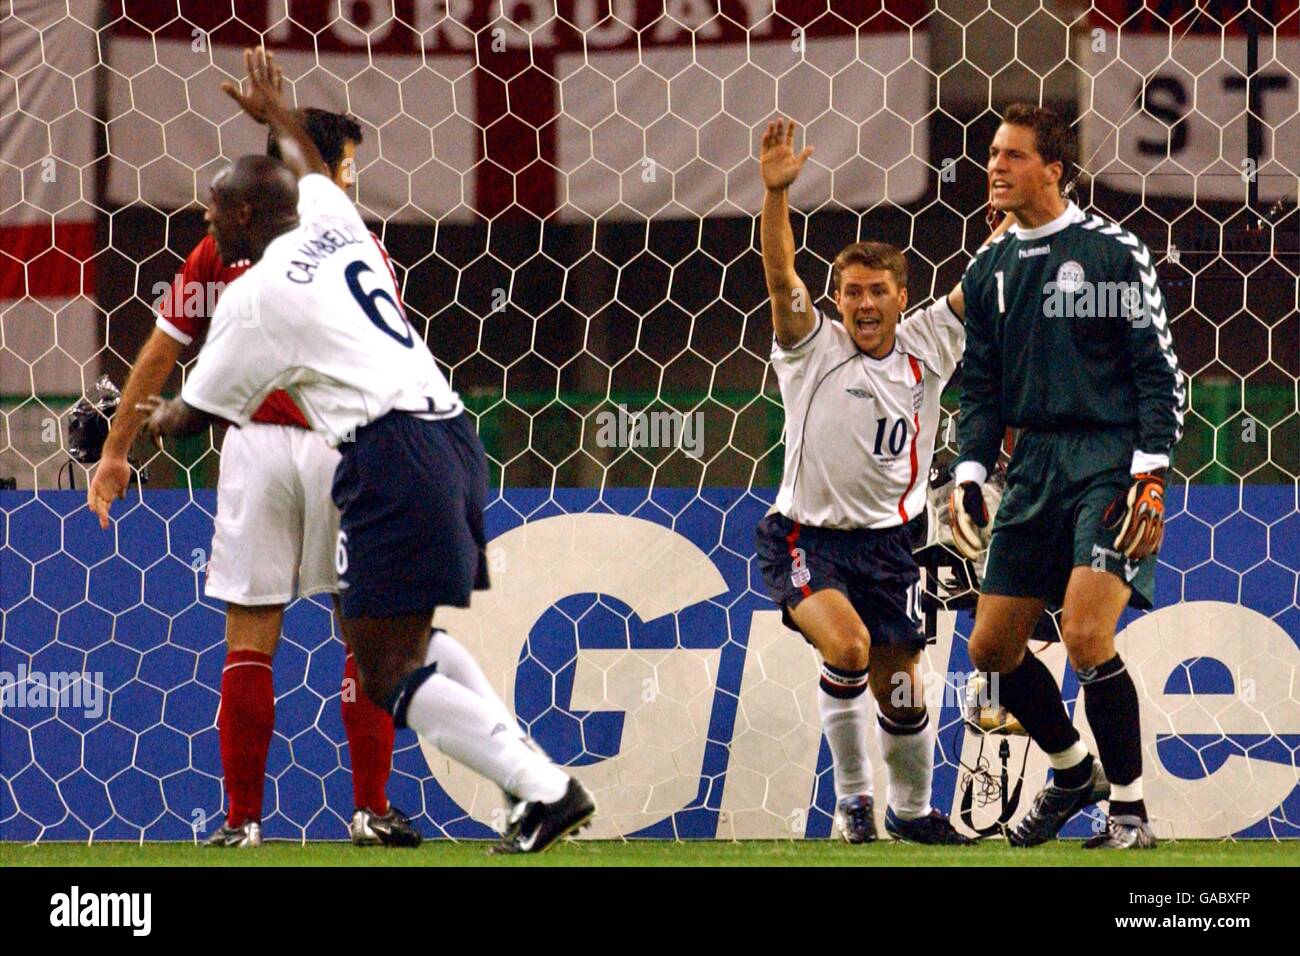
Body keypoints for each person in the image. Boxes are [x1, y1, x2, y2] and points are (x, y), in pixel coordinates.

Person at [142, 47, 594, 854]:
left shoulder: (254, 298)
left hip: (390, 453)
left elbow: (190, 416)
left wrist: (130, 417)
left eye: (213, 211)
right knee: (410, 644)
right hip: (449, 434)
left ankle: (547, 789)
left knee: (385, 672)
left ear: (246, 217)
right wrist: (278, 114)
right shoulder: (333, 217)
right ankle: (526, 783)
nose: (205, 221)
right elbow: (314, 165)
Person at [88, 108, 427, 848]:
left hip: (254, 451)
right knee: (366, 638)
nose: (350, 178)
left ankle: (242, 823)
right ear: (323, 169)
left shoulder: (221, 248)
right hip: (344, 447)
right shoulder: (359, 247)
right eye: (344, 167)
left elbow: (158, 353)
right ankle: (369, 811)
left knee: (250, 640)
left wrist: (118, 451)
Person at [754, 118, 1007, 845]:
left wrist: (1023, 216)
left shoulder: (929, 342)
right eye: (851, 292)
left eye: (877, 292)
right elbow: (780, 277)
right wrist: (775, 196)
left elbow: (982, 278)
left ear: (902, 296)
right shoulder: (810, 345)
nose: (863, 305)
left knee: (901, 692)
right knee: (850, 650)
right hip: (808, 538)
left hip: (894, 547)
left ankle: (913, 811)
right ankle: (854, 805)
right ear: (835, 299)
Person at [948, 103, 1183, 850]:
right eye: (991, 154)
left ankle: (1132, 812)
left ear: (1054, 169)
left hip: (1109, 461)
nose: (995, 167)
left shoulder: (1113, 254)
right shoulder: (986, 270)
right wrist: (972, 472)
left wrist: (1150, 472)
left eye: (1012, 155)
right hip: (1034, 468)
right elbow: (979, 388)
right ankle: (1073, 769)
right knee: (991, 649)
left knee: (1086, 634)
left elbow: (1160, 374)